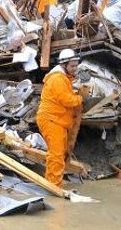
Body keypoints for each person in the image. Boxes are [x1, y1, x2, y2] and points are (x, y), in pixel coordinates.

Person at [36, 49, 84, 188]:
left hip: (56, 121)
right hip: (51, 120)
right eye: (72, 66)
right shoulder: (58, 78)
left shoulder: (63, 78)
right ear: (64, 65)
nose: (75, 69)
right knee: (56, 156)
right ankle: (54, 187)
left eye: (76, 65)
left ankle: (52, 183)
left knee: (57, 155)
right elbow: (66, 100)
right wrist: (80, 98)